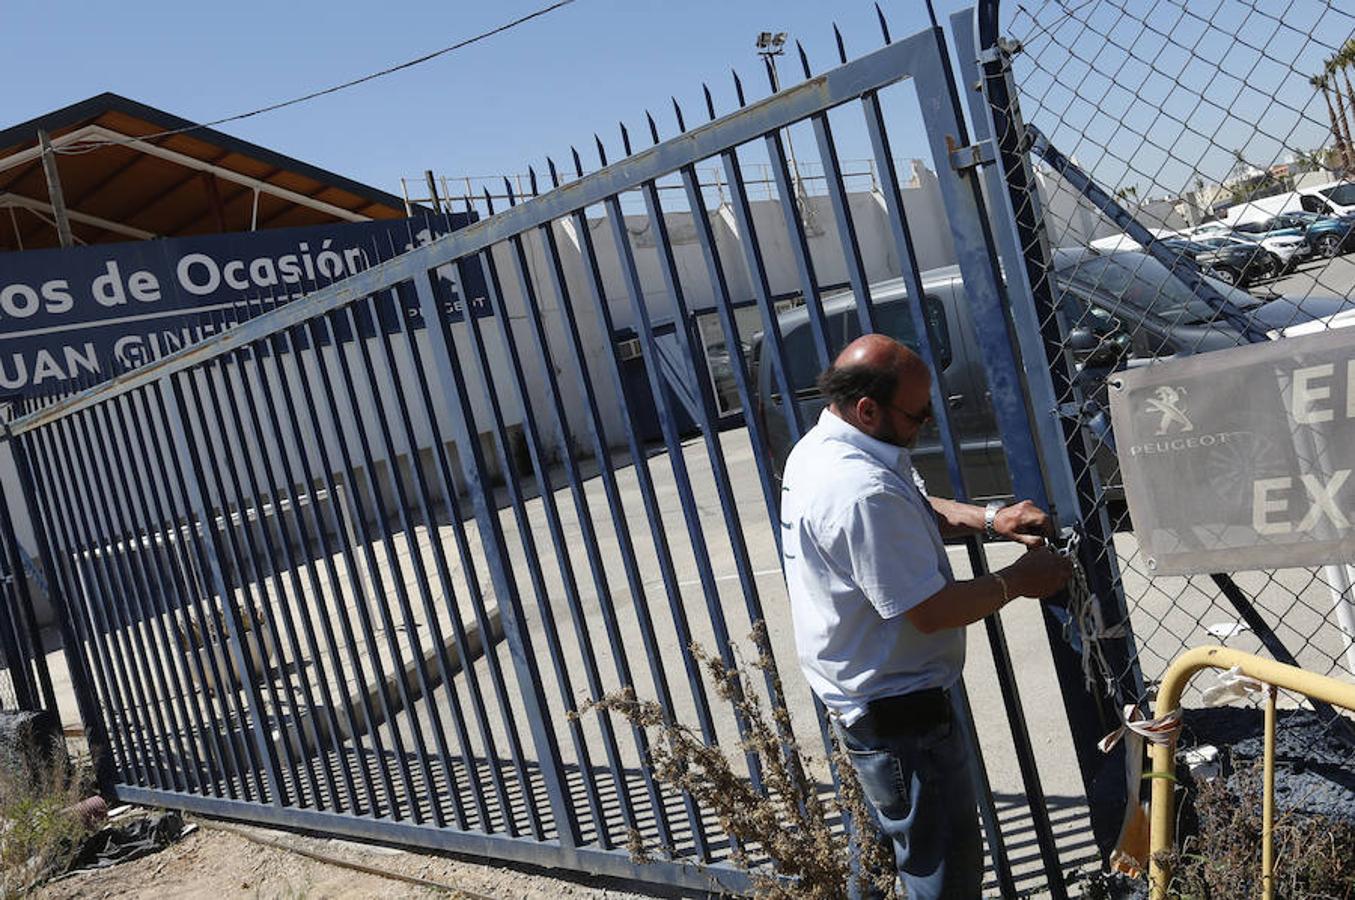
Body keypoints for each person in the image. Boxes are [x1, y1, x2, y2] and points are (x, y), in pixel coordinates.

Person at [779, 333, 1073, 899]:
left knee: (909, 857)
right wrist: (1018, 580)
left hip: (875, 703)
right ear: (868, 409)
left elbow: (909, 510)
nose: (928, 423)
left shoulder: (829, 447)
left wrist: (991, 520)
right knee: (943, 873)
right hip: (900, 717)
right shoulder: (855, 488)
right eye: (918, 413)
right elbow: (931, 612)